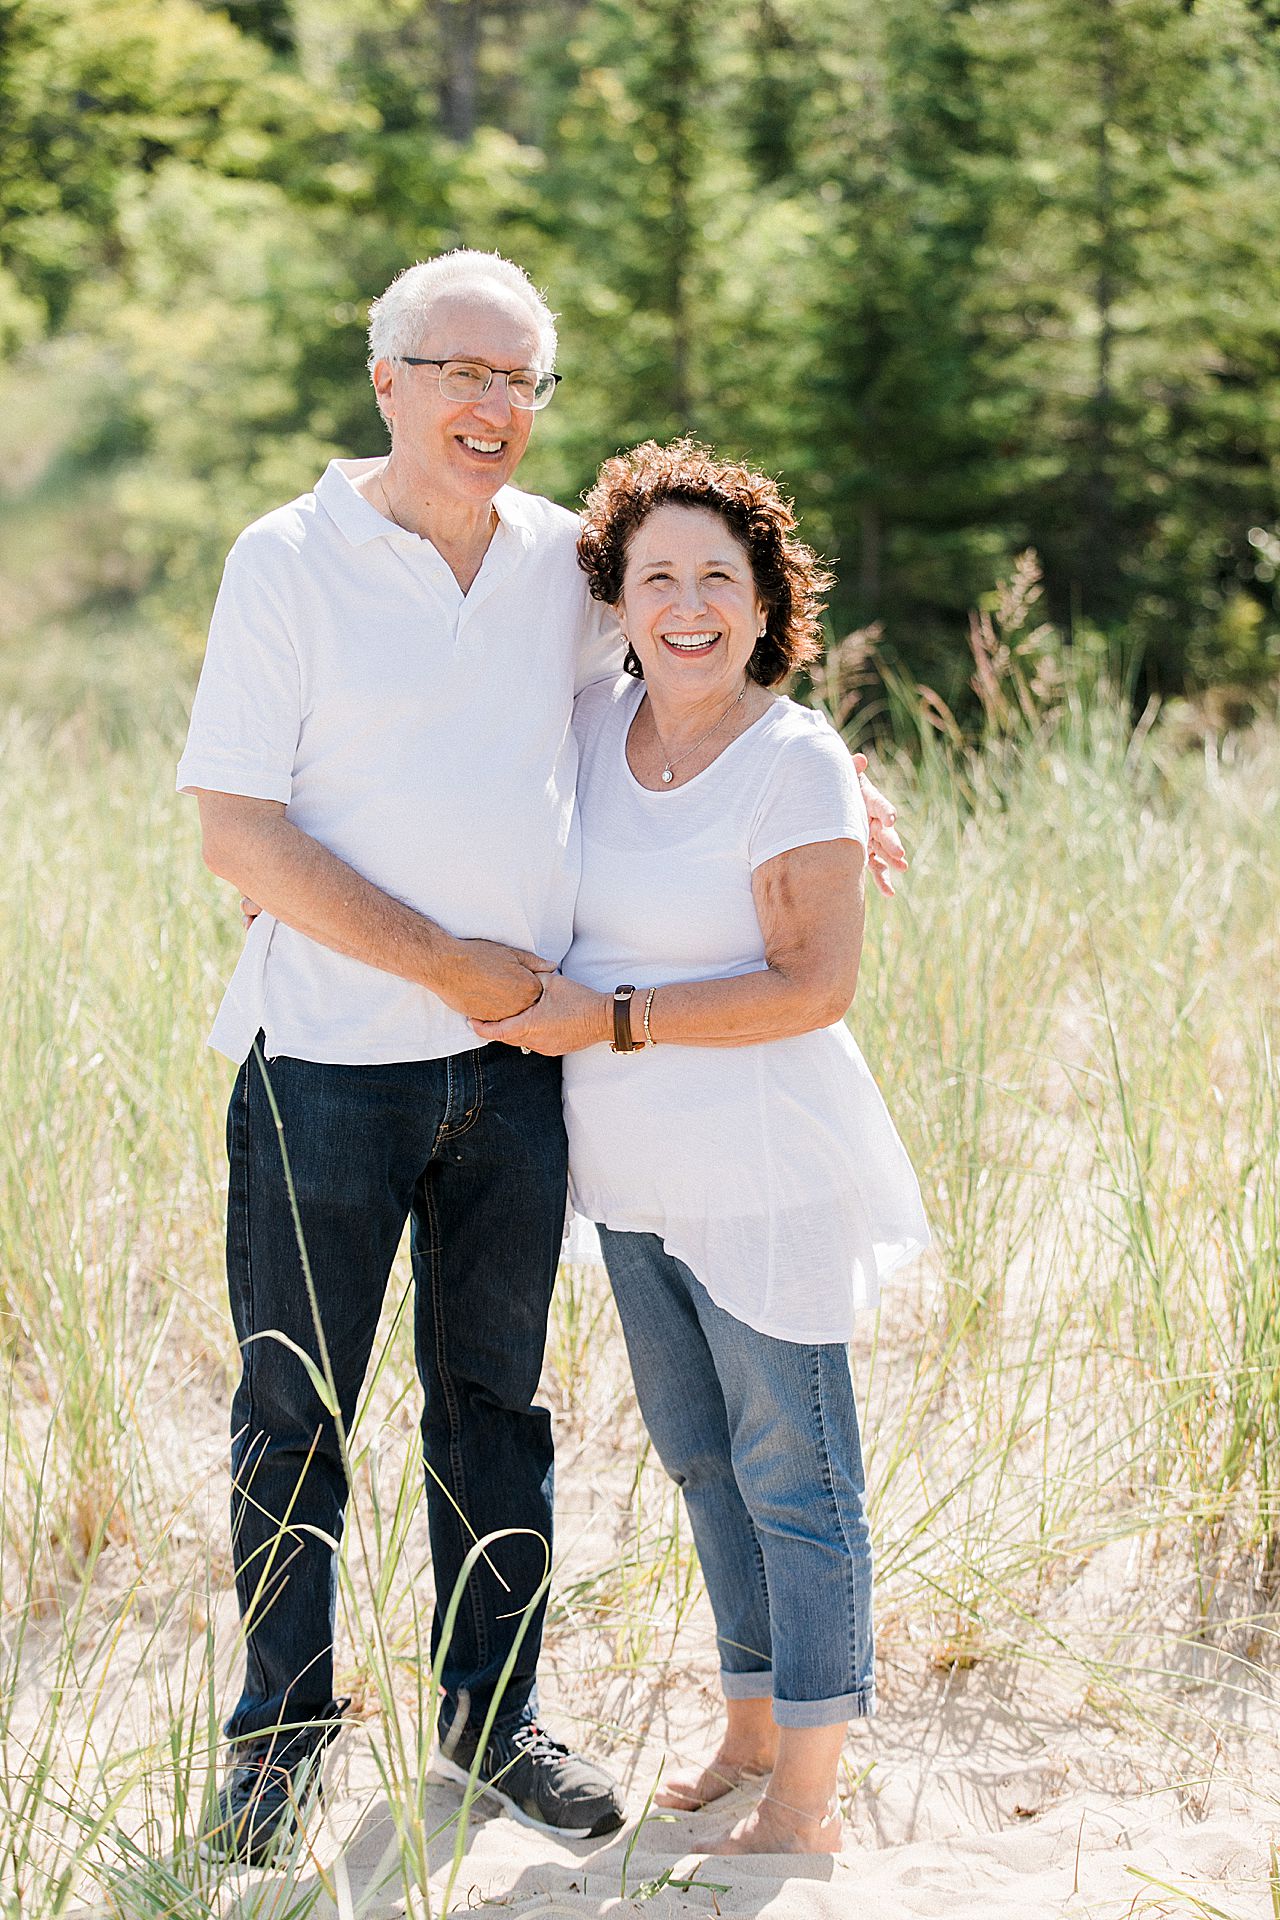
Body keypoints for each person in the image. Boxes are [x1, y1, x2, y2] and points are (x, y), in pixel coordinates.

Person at [176, 251, 907, 1861]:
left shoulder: (557, 567)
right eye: (462, 372)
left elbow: (688, 683)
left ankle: (491, 1717)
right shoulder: (285, 561)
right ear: (388, 381)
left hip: (520, 1080)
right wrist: (442, 962)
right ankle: (280, 1742)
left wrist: (833, 788)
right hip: (328, 1063)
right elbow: (237, 827)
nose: (494, 407)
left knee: (494, 1408)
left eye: (522, 380)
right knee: (297, 1408)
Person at [472, 438, 930, 1856]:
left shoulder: (791, 761)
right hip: (629, 1175)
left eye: (718, 579)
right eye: (655, 574)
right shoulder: (591, 727)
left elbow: (814, 987)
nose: (686, 604)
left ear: (765, 600)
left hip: (765, 1169)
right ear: (612, 595)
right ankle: (745, 1727)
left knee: (798, 1472)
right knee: (699, 1457)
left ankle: (806, 1797)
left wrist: (610, 1017)